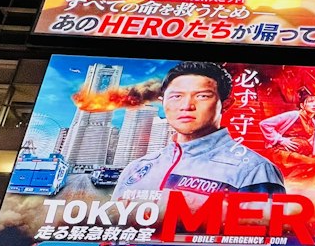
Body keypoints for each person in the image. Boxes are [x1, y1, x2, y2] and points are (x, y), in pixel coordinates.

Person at [113, 61, 285, 201]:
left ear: (226, 104)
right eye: (176, 96)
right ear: (162, 101)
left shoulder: (255, 169)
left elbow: (262, 239)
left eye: (202, 96)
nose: (187, 106)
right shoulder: (137, 168)